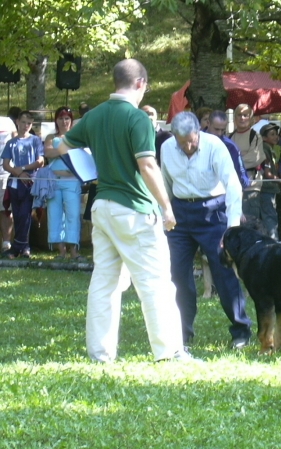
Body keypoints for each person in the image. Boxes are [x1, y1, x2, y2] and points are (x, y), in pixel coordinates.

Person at [57, 58, 190, 362]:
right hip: (133, 208)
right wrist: (167, 207)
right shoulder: (138, 118)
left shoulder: (94, 116)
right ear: (141, 83)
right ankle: (169, 352)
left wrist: (94, 166)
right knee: (155, 281)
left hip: (101, 206)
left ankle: (100, 354)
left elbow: (61, 147)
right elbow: (146, 164)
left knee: (104, 282)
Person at [161, 112, 252, 349]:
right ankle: (182, 333)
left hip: (214, 212)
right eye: (182, 142)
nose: (187, 147)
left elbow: (233, 185)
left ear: (199, 131)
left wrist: (231, 229)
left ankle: (241, 330)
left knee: (224, 273)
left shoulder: (215, 146)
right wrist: (165, 213)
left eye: (191, 140)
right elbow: (165, 183)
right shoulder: (167, 148)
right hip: (181, 213)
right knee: (178, 275)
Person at [1, 110, 44, 259]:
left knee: (26, 214)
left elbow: (40, 161)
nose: (26, 125)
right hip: (15, 182)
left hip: (31, 181)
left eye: (29, 123)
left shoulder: (35, 140)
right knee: (17, 214)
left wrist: (24, 169)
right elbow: (6, 164)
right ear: (17, 122)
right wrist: (18, 172)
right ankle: (21, 246)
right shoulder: (11, 143)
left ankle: (19, 247)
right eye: (24, 122)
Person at [43, 106, 83, 260]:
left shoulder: (77, 138)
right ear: (56, 120)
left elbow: (81, 156)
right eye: (60, 118)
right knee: (54, 215)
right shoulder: (51, 138)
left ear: (71, 120)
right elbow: (48, 153)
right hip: (53, 182)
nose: (64, 121)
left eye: (67, 118)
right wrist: (66, 149)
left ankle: (74, 251)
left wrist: (59, 151)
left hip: (72, 182)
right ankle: (61, 251)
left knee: (72, 215)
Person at [229, 104, 264, 221]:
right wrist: (242, 158)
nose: (242, 118)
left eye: (245, 115)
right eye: (239, 115)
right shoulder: (230, 137)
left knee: (250, 223)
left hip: (251, 187)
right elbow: (224, 160)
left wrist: (235, 159)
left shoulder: (255, 136)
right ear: (234, 118)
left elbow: (255, 159)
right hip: (233, 187)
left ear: (251, 118)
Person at [205, 110, 250, 189]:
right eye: (216, 129)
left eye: (223, 130)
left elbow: (241, 174)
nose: (219, 133)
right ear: (208, 123)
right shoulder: (195, 141)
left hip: (220, 194)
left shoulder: (230, 147)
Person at [259, 122, 281, 239]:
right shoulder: (264, 148)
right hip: (266, 189)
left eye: (276, 134)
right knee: (270, 217)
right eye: (272, 134)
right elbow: (267, 173)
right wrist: (280, 181)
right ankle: (274, 242)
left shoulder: (271, 148)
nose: (276, 137)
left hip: (270, 188)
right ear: (264, 138)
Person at [0, 115, 17, 253]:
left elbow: (16, 144)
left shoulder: (7, 122)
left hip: (5, 172)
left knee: (5, 209)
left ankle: (6, 243)